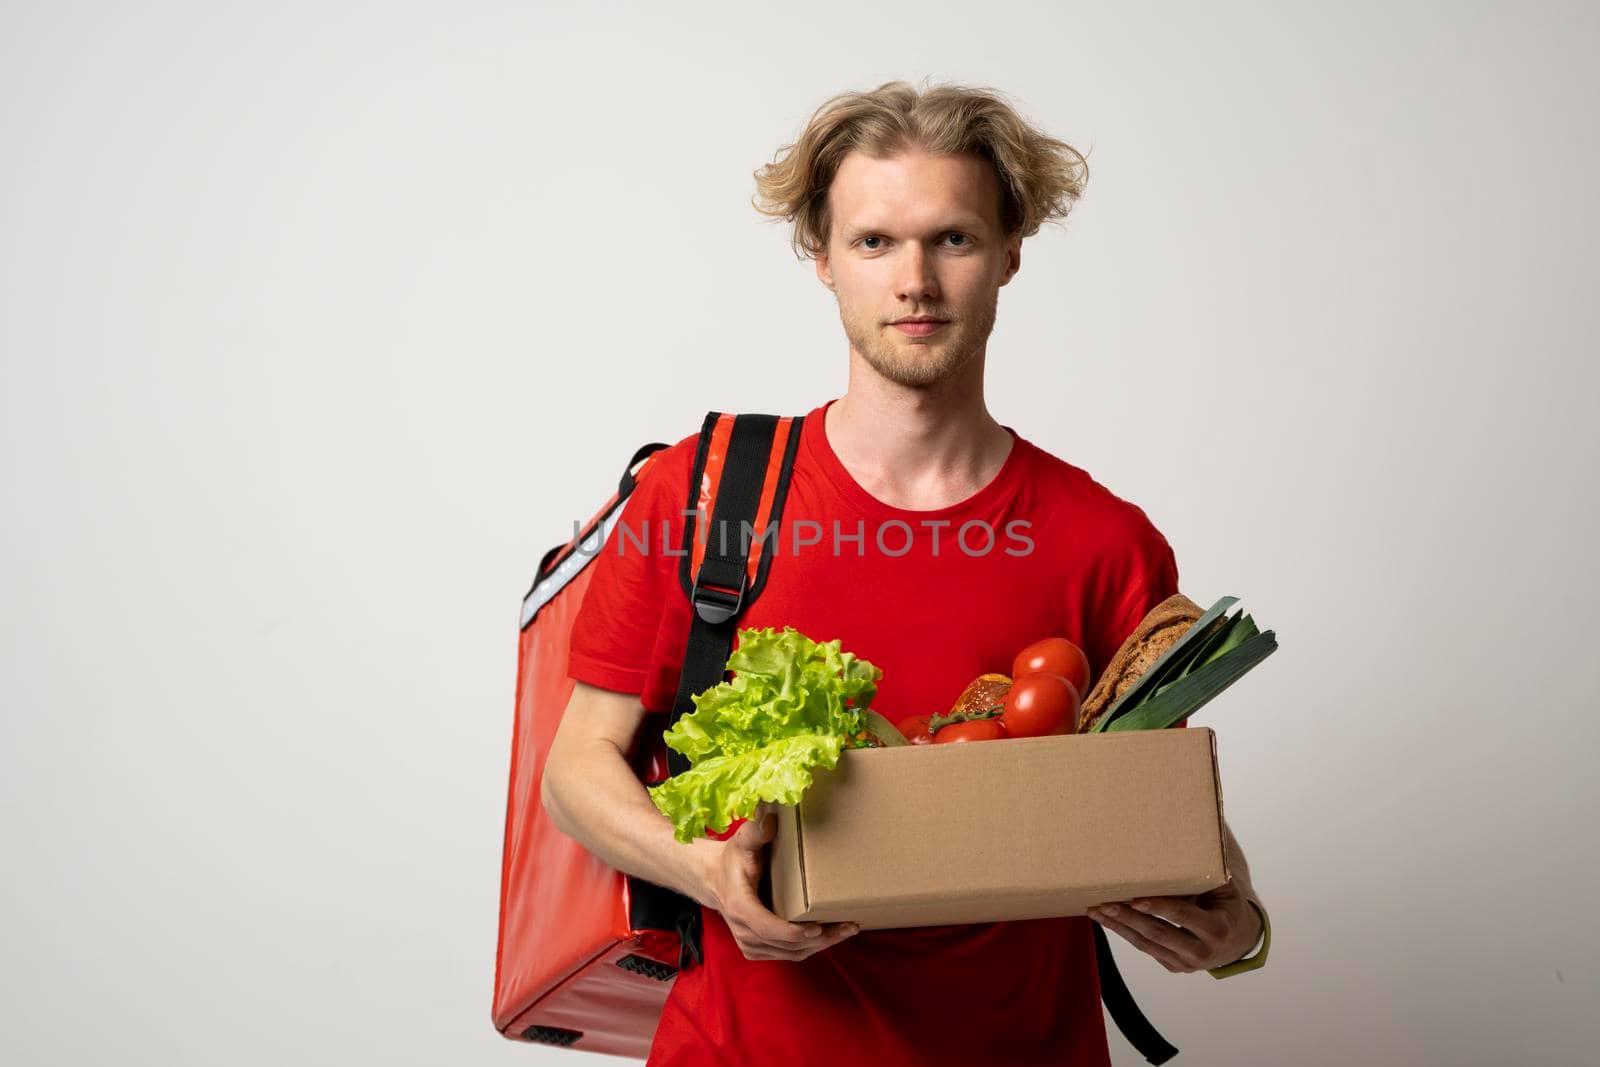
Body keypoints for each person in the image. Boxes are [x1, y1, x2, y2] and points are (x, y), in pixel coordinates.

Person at [541, 78, 1266, 1067]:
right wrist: (709, 872)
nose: (914, 280)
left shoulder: (1105, 540)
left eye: (952, 238)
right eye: (874, 241)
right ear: (823, 259)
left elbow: (1152, 806)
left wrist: (1238, 924)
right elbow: (578, 764)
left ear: (1010, 253)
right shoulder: (703, 496)